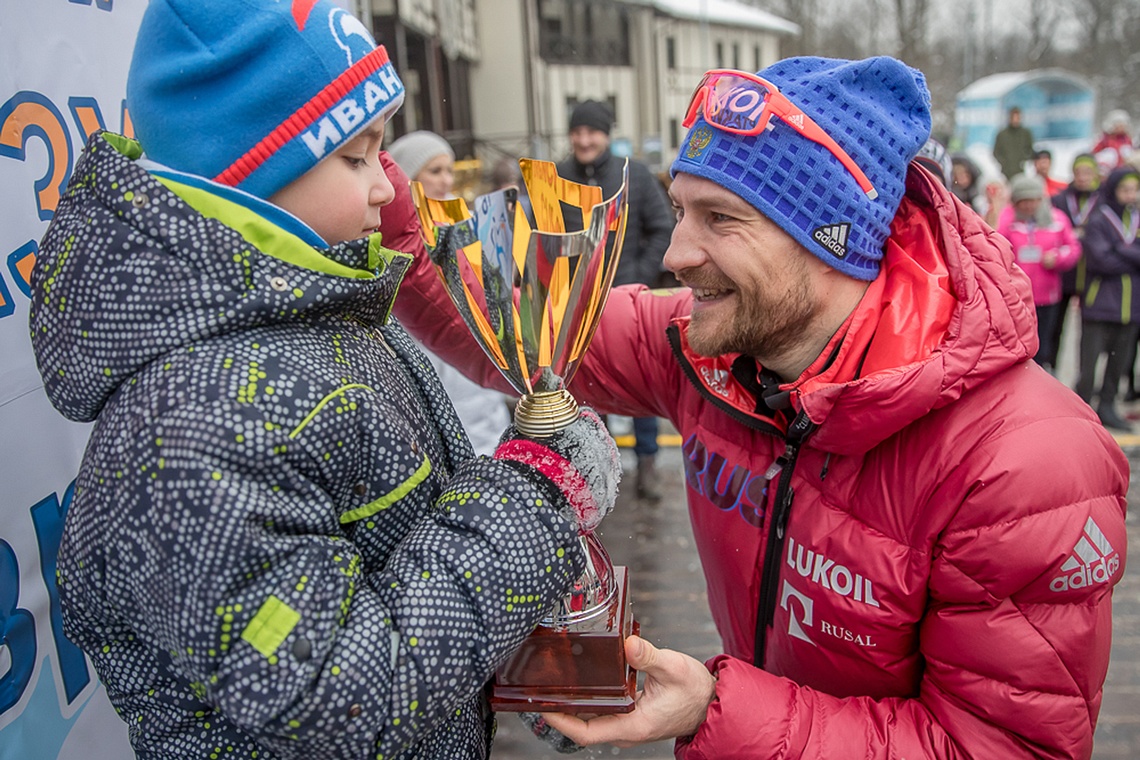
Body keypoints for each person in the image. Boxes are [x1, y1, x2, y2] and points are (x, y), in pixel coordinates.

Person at [393, 56, 1128, 758]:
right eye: (681, 209)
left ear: (832, 242)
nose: (677, 252)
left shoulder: (1026, 465)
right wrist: (340, 146)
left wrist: (717, 710)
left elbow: (1001, 749)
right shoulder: (703, 348)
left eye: (721, 219)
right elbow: (496, 322)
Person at [26, 1, 620, 757]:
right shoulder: (192, 430)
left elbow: (398, 563)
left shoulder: (321, 319)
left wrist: (519, 655)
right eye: (356, 157)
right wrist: (532, 499)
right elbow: (336, 697)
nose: (385, 189)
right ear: (247, 173)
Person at [557, 99, 675, 502]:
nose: (584, 140)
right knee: (585, 390)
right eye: (577, 132)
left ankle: (647, 465)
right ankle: (595, 472)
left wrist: (637, 276)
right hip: (575, 306)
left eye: (592, 132)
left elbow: (663, 228)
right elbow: (545, 236)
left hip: (629, 302)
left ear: (607, 135)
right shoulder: (555, 179)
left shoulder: (635, 176)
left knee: (639, 385)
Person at [388, 130, 513, 455]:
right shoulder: (396, 234)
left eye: (449, 171)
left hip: (476, 345)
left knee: (485, 432)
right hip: (425, 348)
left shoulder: (463, 221)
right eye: (434, 171)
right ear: (409, 177)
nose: (445, 180)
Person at [1075, 165, 1140, 430]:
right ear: (1113, 189)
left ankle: (1109, 407)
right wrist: (1132, 254)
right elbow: (1100, 260)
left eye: (1134, 189)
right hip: (1100, 304)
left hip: (1131, 307)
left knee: (1118, 364)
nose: (1131, 195)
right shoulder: (1099, 218)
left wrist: (1119, 249)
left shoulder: (1136, 218)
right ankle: (1081, 408)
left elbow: (1114, 254)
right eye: (1125, 189)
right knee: (1089, 366)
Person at [996, 174, 1080, 371]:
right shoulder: (1007, 220)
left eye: (1032, 200)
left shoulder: (1057, 219)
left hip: (1048, 294)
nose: (1028, 206)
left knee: (1047, 338)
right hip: (1017, 295)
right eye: (1023, 201)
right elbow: (998, 249)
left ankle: (1046, 373)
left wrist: (1057, 257)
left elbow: (1073, 247)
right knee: (1020, 340)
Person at [1051, 153, 1102, 385]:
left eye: (1088, 173)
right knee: (1055, 328)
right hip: (1063, 273)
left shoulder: (1101, 201)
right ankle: (1051, 371)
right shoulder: (1061, 199)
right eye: (1079, 173)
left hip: (1092, 274)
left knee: (1088, 333)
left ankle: (1084, 380)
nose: (1083, 178)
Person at [993, 105, 1035, 181]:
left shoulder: (1025, 133)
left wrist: (1024, 160)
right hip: (1006, 172)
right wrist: (1004, 163)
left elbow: (1030, 150)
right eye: (1013, 117)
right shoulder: (1002, 134)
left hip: (1021, 171)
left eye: (1017, 117)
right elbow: (996, 152)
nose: (1015, 120)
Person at [1093, 109, 1134, 174]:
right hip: (1108, 170)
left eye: (1123, 125)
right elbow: (1095, 152)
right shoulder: (1105, 139)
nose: (1121, 127)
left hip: (1123, 168)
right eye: (1118, 125)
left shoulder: (1126, 139)